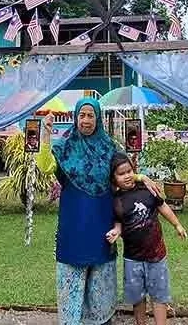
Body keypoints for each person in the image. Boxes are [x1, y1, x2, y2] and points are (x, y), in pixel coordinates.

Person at [38, 99, 161, 325]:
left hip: (103, 222)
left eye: (90, 115)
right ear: (76, 117)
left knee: (101, 274)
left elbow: (123, 175)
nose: (86, 120)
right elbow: (45, 166)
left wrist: (141, 177)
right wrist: (45, 135)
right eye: (82, 115)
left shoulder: (109, 148)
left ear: (98, 118)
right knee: (72, 271)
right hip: (73, 223)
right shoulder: (64, 147)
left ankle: (101, 320)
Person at [107, 153, 187, 325]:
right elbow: (119, 222)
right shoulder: (116, 200)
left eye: (129, 171)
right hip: (132, 258)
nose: (127, 176)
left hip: (157, 255)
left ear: (133, 171)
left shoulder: (147, 189)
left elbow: (163, 207)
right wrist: (116, 231)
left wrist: (177, 224)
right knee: (137, 297)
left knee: (159, 295)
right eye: (121, 174)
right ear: (114, 178)